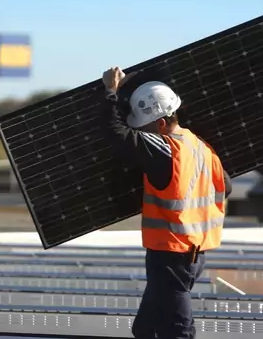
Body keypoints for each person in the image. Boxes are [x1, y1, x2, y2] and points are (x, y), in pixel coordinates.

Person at [101, 67, 232, 339]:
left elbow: (117, 135)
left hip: (172, 252)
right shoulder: (201, 148)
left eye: (145, 127)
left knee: (177, 330)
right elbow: (226, 187)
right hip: (195, 251)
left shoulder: (165, 147)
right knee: (146, 329)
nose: (143, 133)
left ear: (161, 123)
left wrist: (111, 92)